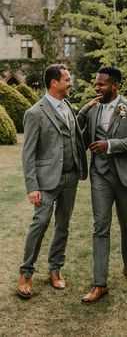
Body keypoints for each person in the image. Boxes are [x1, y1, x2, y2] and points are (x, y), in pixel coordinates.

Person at [77, 66, 127, 303]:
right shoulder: (93, 109)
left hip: (126, 175)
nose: (97, 87)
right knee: (100, 227)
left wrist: (109, 145)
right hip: (100, 176)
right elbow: (77, 128)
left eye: (101, 84)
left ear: (115, 85)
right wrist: (87, 106)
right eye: (96, 83)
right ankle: (100, 284)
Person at [17, 64, 88, 298]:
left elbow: (77, 131)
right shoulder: (34, 113)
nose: (71, 83)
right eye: (67, 80)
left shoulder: (69, 107)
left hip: (70, 178)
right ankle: (26, 274)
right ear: (54, 83)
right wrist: (32, 187)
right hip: (46, 181)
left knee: (63, 225)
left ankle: (55, 269)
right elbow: (28, 154)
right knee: (40, 224)